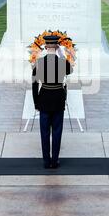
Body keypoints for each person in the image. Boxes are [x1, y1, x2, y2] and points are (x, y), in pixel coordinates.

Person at [32, 35, 73, 169]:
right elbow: (70, 70)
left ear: (45, 46)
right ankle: (54, 161)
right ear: (56, 46)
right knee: (57, 131)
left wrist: (36, 103)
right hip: (58, 100)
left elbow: (34, 85)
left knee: (44, 132)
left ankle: (46, 161)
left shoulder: (38, 63)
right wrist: (61, 55)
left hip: (44, 99)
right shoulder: (62, 62)